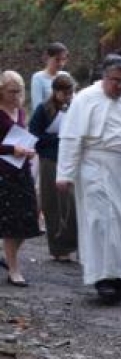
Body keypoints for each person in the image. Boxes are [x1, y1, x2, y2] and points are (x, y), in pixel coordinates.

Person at [56, 54, 121, 303]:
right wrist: (65, 173)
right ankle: (103, 278)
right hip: (96, 169)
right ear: (104, 76)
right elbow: (71, 138)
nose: (119, 86)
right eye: (115, 81)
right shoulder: (85, 99)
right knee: (101, 223)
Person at [28, 74, 77, 262]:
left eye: (70, 93)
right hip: (50, 159)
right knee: (53, 203)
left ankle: (74, 243)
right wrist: (57, 138)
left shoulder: (74, 107)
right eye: (64, 93)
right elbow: (34, 136)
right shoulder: (43, 109)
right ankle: (59, 248)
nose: (68, 97)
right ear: (55, 92)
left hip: (71, 160)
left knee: (72, 204)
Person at [0, 70, 41, 286]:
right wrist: (9, 149)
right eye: (11, 92)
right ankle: (14, 269)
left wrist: (27, 149)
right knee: (10, 224)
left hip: (22, 170)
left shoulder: (22, 113)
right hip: (4, 174)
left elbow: (23, 137)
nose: (15, 96)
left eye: (19, 92)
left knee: (27, 221)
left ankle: (9, 257)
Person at [30, 42, 71, 112]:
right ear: (48, 58)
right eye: (57, 59)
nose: (61, 63)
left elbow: (72, 100)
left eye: (63, 59)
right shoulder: (38, 78)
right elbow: (37, 106)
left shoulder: (66, 75)